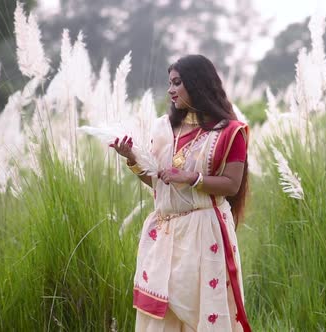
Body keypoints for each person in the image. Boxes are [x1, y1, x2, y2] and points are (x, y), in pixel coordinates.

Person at [109, 54, 251, 332]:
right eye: (169, 83)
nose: (170, 90)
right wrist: (132, 160)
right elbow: (159, 183)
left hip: (204, 230)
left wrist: (192, 178)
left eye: (177, 83)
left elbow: (232, 185)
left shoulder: (230, 132)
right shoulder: (164, 129)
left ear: (197, 84)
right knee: (161, 315)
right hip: (164, 233)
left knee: (203, 316)